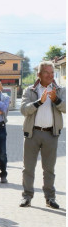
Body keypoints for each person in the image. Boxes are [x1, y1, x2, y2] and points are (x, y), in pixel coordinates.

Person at [20, 61, 66, 209]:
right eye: (47, 72)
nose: (51, 75)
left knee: (49, 169)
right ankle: (27, 197)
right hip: (32, 134)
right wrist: (39, 102)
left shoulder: (59, 90)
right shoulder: (30, 90)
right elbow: (24, 110)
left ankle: (50, 198)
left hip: (51, 134)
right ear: (39, 74)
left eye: (52, 73)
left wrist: (56, 100)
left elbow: (65, 107)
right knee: (28, 168)